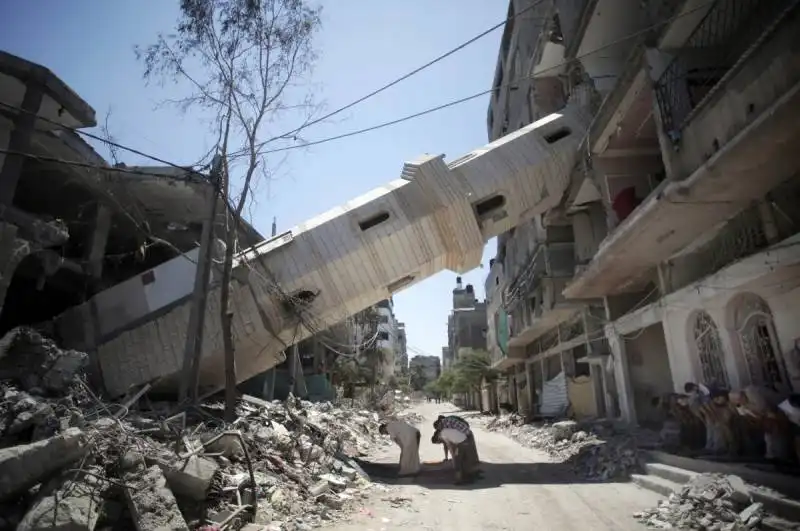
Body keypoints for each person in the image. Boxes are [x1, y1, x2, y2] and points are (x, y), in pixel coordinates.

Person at [432, 415, 480, 484]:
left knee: (458, 461)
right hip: (464, 438)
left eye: (438, 442)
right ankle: (469, 475)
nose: (440, 442)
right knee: (466, 458)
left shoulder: (444, 429)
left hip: (465, 438)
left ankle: (460, 480)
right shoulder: (445, 427)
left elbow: (449, 446)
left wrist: (453, 457)